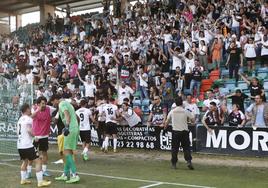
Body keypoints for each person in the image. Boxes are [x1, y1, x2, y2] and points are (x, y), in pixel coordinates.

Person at [17, 103, 51, 187]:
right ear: (27, 109)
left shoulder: (20, 119)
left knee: (25, 161)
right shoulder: (28, 119)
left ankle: (23, 180)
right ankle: (40, 182)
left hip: (20, 145)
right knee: (38, 160)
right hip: (27, 145)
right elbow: (29, 130)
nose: (30, 110)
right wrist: (35, 136)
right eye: (29, 109)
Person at [51, 95, 80, 183]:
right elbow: (76, 117)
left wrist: (67, 126)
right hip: (74, 128)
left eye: (53, 102)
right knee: (68, 152)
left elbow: (67, 114)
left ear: (56, 100)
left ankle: (75, 175)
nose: (53, 104)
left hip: (70, 129)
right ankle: (65, 174)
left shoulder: (62, 103)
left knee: (66, 151)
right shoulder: (68, 104)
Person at [28, 96, 56, 177]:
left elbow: (57, 107)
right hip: (35, 136)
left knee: (44, 153)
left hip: (45, 136)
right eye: (42, 103)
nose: (44, 105)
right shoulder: (34, 109)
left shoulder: (49, 108)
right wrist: (38, 110)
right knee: (31, 154)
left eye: (45, 103)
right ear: (38, 104)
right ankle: (29, 171)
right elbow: (31, 117)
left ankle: (44, 170)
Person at [164, 97, 195, 170]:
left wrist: (165, 128)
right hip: (184, 131)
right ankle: (188, 161)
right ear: (182, 103)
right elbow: (193, 120)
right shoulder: (185, 111)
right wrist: (188, 120)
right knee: (186, 148)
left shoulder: (172, 111)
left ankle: (174, 164)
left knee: (174, 149)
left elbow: (167, 122)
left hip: (175, 132)